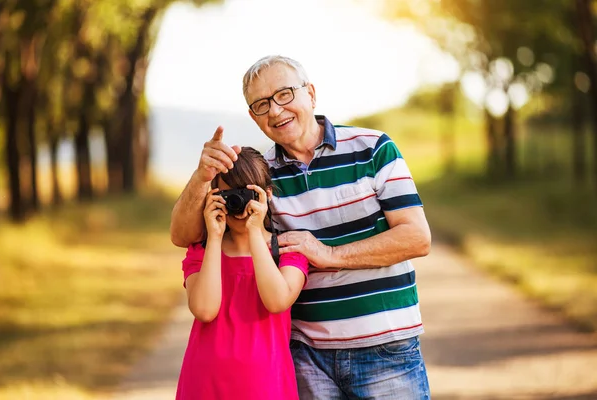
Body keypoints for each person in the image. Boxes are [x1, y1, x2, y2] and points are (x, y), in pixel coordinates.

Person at [171, 55, 433, 399]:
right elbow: (183, 235)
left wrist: (327, 254)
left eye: (284, 94)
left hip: (384, 345)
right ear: (254, 117)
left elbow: (416, 237)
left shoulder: (373, 147)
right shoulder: (258, 174)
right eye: (262, 104)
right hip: (305, 357)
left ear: (310, 93)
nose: (276, 111)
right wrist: (201, 177)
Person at [175, 146, 309, 400]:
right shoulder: (201, 252)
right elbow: (205, 310)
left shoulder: (289, 250)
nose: (237, 203)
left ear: (266, 195)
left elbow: (277, 301)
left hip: (266, 385)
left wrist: (255, 233)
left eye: (245, 193)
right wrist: (213, 237)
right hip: (204, 384)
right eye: (228, 194)